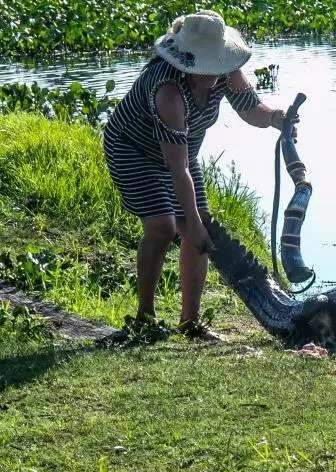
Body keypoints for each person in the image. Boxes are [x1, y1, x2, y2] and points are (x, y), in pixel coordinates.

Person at [103, 10, 295, 340]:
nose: (211, 72)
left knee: (199, 224)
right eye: (203, 66)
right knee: (164, 225)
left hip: (182, 151)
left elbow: (251, 108)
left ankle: (190, 323)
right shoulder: (167, 91)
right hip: (133, 149)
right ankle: (145, 319)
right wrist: (189, 220)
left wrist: (278, 118)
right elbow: (176, 170)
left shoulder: (226, 68)